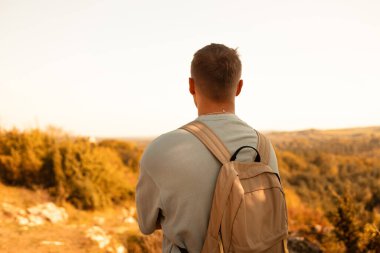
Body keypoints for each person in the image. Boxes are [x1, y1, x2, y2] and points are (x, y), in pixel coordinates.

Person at [136, 43, 281, 253]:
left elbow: (146, 224)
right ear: (239, 87)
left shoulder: (160, 150)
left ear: (191, 86)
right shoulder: (264, 148)